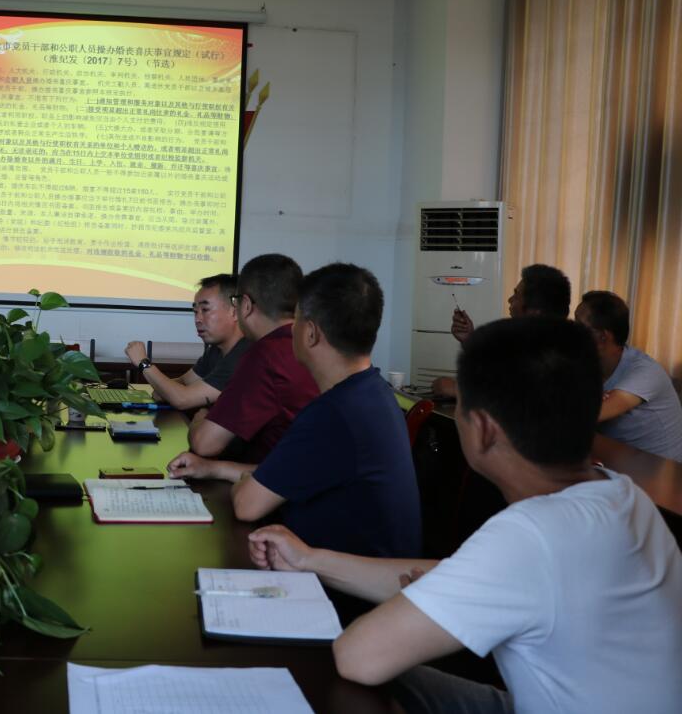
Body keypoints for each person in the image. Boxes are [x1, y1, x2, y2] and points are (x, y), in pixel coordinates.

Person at [249, 316, 682, 713]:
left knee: (337, 667)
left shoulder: (531, 535)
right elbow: (461, 574)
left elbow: (357, 657)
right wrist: (310, 560)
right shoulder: (624, 497)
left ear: (484, 429)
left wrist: (416, 606)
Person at [171, 264, 421, 559]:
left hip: (334, 580)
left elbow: (247, 504)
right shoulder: (374, 392)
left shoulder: (331, 412)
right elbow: (280, 475)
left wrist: (241, 481)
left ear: (310, 334)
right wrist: (213, 468)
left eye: (296, 321)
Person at [168, 254, 318, 464]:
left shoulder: (263, 354)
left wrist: (201, 415)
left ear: (245, 305)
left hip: (271, 476)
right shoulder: (311, 343)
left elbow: (204, 444)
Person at [432, 262, 571, 398]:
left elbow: (523, 397)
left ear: (535, 311)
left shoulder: (558, 355)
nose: (510, 300)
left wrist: (459, 390)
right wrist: (469, 338)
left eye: (516, 295)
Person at [575, 290, 682, 462]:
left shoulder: (645, 372)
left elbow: (587, 416)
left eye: (578, 326)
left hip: (664, 471)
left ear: (602, 337)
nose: (571, 332)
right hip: (618, 462)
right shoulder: (585, 363)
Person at [123, 274, 249, 411]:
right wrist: (166, 391)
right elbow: (184, 381)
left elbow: (182, 399)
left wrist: (144, 363)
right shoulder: (216, 349)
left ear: (235, 312)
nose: (197, 319)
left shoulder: (245, 356)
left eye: (205, 310)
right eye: (195, 311)